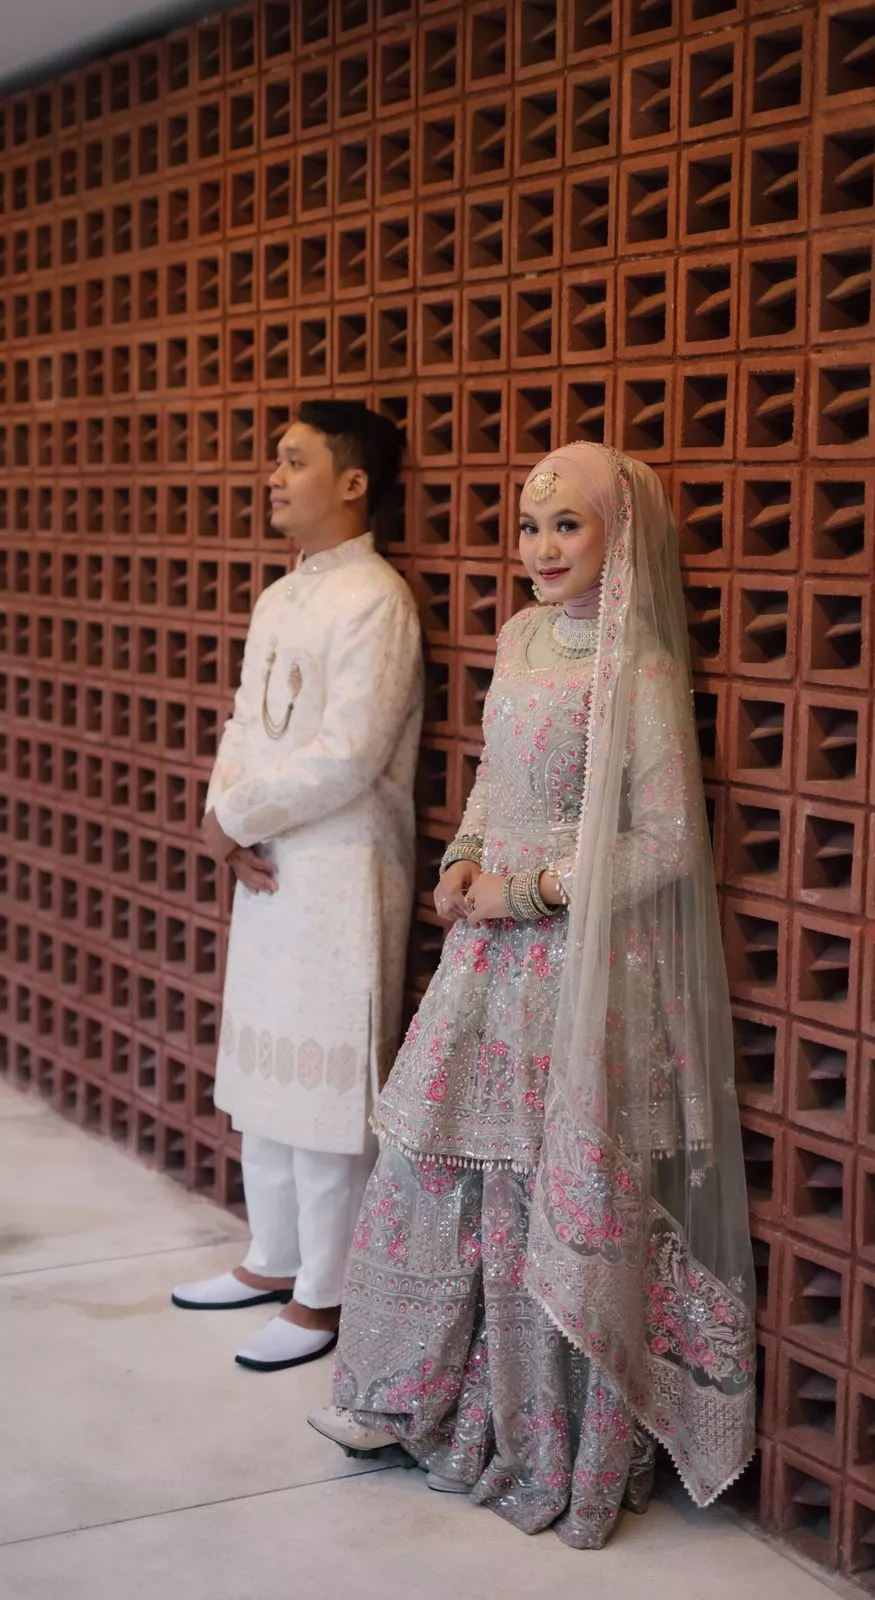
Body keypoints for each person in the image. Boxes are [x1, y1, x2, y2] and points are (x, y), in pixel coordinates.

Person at [307, 442, 755, 1546]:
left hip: (574, 969)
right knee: (427, 1165)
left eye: (567, 525)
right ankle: (406, 1397)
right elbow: (491, 777)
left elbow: (666, 843)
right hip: (485, 956)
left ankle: (542, 1430)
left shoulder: (639, 663)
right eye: (528, 526)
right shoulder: (518, 637)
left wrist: (531, 889)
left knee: (532, 1192)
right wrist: (464, 855)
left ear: (619, 533)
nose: (542, 548)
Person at [171, 400, 423, 1374]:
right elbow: (245, 721)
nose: (272, 478)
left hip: (341, 868)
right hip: (269, 856)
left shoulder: (377, 600)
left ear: (353, 483)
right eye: (275, 461)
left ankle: (327, 1292)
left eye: (292, 461)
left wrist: (238, 817)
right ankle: (271, 1257)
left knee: (325, 1084)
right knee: (264, 1070)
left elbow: (350, 753)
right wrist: (223, 814)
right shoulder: (280, 598)